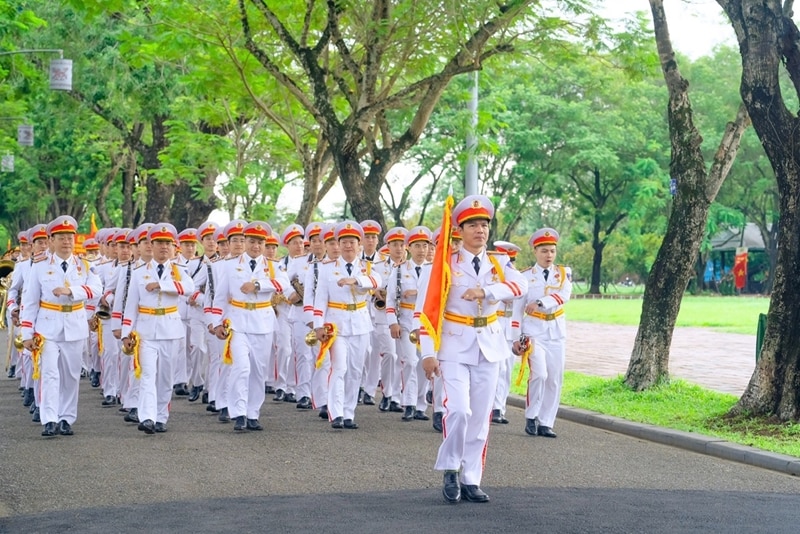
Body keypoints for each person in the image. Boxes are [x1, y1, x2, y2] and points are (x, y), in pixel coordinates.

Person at [420, 195, 527, 504]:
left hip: (489, 345)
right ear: (460, 229)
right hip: (453, 344)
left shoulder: (500, 262)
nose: (480, 230)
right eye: (473, 225)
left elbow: (520, 287)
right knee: (458, 410)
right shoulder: (443, 265)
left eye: (485, 224)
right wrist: (427, 353)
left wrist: (487, 290)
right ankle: (451, 467)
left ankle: (471, 478)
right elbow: (425, 313)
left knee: (480, 418)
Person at [21, 216, 103, 437]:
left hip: (75, 326)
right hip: (47, 327)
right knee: (49, 373)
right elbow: (29, 302)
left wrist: (72, 292)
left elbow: (96, 290)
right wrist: (26, 333)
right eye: (61, 238)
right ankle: (49, 418)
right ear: (51, 240)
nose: (67, 242)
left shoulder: (85, 265)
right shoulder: (39, 267)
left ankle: (66, 418)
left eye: (70, 237)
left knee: (71, 375)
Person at [212, 221, 290, 432]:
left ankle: (252, 412)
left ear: (265, 244)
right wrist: (216, 322)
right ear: (245, 241)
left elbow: (285, 284)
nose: (256, 246)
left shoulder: (273, 265)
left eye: (260, 242)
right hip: (237, 321)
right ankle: (238, 413)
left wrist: (258, 285)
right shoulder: (229, 264)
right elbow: (220, 297)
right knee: (241, 367)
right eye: (252, 241)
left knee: (258, 370)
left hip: (263, 322)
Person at [121, 223, 195, 434]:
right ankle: (148, 417)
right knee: (147, 374)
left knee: (165, 377)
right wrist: (126, 332)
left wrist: (163, 286)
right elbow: (131, 306)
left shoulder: (179, 270)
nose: (163, 247)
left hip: (171, 329)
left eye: (167, 244)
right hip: (145, 330)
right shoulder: (138, 272)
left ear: (173, 247)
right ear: (151, 246)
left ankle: (161, 416)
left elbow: (189, 289)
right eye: (159, 243)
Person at [312, 221, 381, 429]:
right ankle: (336, 412)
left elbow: (377, 282)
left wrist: (356, 280)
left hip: (360, 324)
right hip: (336, 325)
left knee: (355, 370)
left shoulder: (368, 268)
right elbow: (320, 299)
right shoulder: (327, 269)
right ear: (338, 245)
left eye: (352, 242)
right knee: (339, 367)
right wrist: (318, 325)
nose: (348, 246)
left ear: (359, 245)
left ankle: (349, 412)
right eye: (344, 242)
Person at [518, 228, 572, 438]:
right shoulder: (524, 276)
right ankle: (531, 416)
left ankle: (546, 422)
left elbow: (564, 295)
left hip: (556, 331)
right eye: (544, 251)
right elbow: (517, 309)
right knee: (539, 374)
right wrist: (517, 336)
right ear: (535, 252)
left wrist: (540, 302)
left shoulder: (563, 273)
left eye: (552, 251)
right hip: (533, 331)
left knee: (555, 379)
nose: (549, 255)